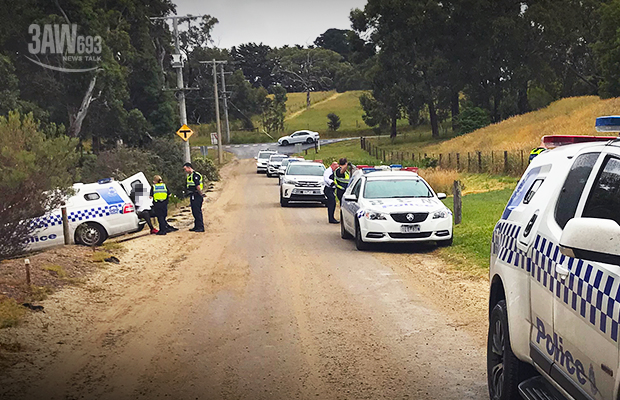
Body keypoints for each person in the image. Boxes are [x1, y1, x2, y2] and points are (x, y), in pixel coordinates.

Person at [183, 162, 205, 232]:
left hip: (197, 195)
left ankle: (200, 227)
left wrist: (201, 194)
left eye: (185, 169)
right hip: (192, 195)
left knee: (197, 211)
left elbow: (198, 186)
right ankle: (196, 226)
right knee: (194, 211)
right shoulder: (190, 176)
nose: (185, 171)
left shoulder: (195, 175)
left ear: (189, 167)